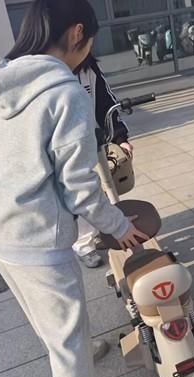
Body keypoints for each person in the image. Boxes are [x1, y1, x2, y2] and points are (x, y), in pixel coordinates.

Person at [0, 1, 149, 377]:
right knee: (68, 350)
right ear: (77, 32)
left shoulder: (4, 81)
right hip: (34, 237)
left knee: (48, 321)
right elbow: (79, 188)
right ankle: (75, 357)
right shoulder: (66, 93)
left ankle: (78, 348)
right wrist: (119, 226)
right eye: (90, 42)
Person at [73, 54, 133, 268]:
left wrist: (120, 138)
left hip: (93, 139)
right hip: (68, 148)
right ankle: (84, 245)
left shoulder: (88, 69)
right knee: (80, 192)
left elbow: (106, 102)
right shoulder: (52, 72)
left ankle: (110, 230)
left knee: (107, 186)